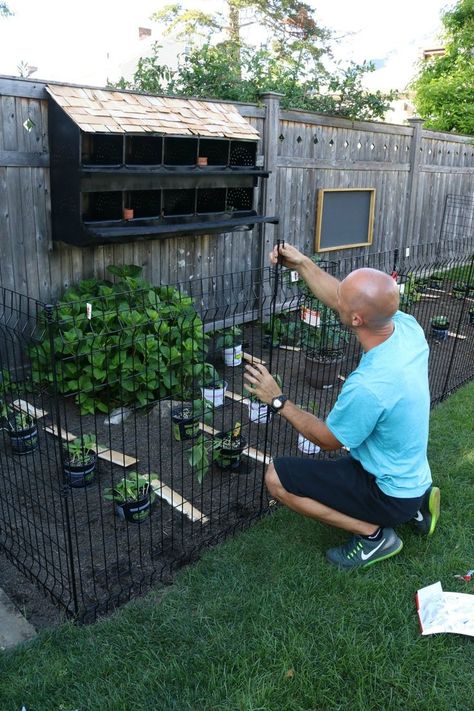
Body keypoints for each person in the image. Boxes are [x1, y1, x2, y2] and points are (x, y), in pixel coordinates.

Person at [243, 243, 440, 570]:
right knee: (383, 449)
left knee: (276, 478)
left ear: (356, 318)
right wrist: (303, 263)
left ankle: (375, 536)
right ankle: (418, 505)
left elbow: (327, 439)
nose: (336, 299)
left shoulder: (370, 385)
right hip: (412, 475)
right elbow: (340, 295)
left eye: (342, 302)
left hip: (387, 490)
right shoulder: (406, 328)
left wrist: (277, 399)